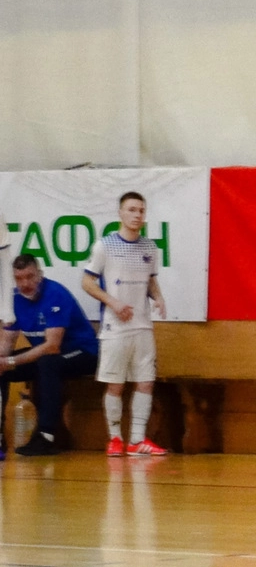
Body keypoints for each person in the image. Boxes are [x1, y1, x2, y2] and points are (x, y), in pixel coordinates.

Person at [81, 191, 168, 456]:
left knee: (145, 382)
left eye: (141, 210)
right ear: (120, 213)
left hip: (142, 326)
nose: (137, 215)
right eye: (131, 210)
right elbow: (87, 282)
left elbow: (150, 280)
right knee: (115, 385)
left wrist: (158, 297)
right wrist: (113, 303)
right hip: (115, 328)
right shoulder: (104, 246)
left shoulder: (150, 247)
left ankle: (137, 440)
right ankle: (115, 439)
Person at [0, 254, 101, 457]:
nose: (25, 284)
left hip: (83, 352)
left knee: (48, 363)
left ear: (40, 274)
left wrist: (10, 361)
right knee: (4, 370)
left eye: (30, 277)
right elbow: (6, 343)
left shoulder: (55, 294)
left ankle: (46, 436)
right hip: (47, 356)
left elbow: (52, 346)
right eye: (19, 279)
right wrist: (2, 361)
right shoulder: (14, 299)